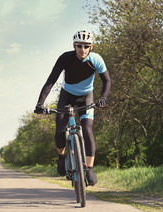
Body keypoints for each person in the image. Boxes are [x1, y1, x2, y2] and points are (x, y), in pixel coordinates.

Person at [35, 30, 112, 186]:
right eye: (79, 46)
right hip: (67, 96)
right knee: (60, 130)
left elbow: (107, 81)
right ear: (74, 45)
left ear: (91, 46)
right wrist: (40, 103)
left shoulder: (96, 59)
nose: (82, 49)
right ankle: (62, 157)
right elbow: (50, 82)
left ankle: (89, 168)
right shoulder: (65, 58)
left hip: (86, 97)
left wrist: (103, 98)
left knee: (87, 129)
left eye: (86, 46)